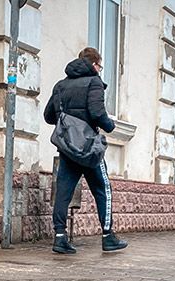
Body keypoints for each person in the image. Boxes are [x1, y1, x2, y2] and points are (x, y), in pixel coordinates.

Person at [43, 47, 127, 254]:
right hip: (89, 147)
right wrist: (109, 126)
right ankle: (108, 237)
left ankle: (60, 238)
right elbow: (97, 113)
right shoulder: (94, 82)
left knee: (64, 191)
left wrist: (69, 120)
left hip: (67, 147)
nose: (99, 69)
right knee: (102, 189)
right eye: (99, 66)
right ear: (94, 64)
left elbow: (49, 116)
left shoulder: (60, 85)